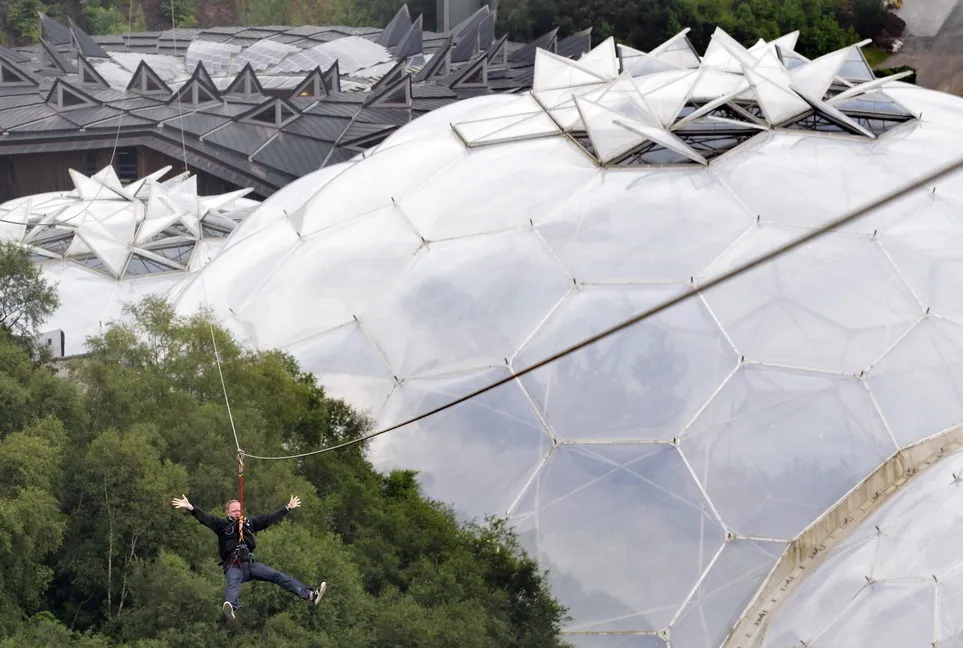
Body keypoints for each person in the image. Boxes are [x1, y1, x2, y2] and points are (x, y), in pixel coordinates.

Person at [171, 493, 326, 623]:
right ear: (228, 513)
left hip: (250, 564)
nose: (237, 513)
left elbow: (268, 519)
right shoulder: (222, 525)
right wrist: (191, 507)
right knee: (233, 582)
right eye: (234, 511)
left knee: (277, 576)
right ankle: (231, 606)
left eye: (239, 510)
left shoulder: (249, 523)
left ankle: (309, 595)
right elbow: (206, 518)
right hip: (233, 565)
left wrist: (287, 508)